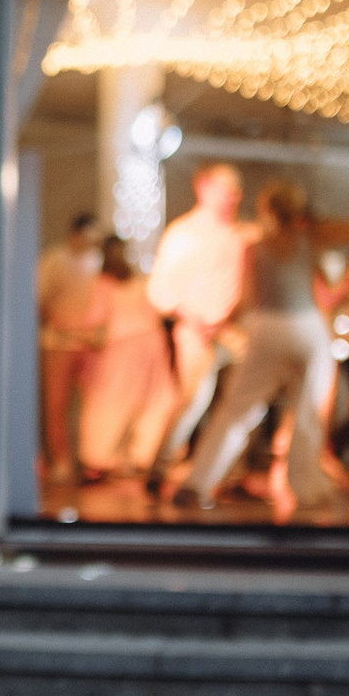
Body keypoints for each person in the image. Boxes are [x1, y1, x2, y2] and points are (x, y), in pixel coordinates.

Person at [178, 182, 347, 514]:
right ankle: (309, 492)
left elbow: (243, 299)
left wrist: (219, 324)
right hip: (307, 329)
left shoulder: (255, 247)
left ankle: (197, 484)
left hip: (267, 329)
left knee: (237, 410)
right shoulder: (307, 241)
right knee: (308, 413)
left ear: (267, 211)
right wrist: (309, 222)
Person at [146, 163, 251, 473]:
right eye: (225, 190)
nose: (232, 198)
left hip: (237, 333)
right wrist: (194, 320)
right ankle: (160, 467)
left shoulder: (244, 235)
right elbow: (161, 290)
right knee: (193, 401)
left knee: (242, 406)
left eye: (235, 192)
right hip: (195, 332)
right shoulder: (183, 233)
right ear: (203, 188)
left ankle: (229, 473)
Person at [76, 236, 174, 480]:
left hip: (123, 347)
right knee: (152, 401)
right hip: (152, 343)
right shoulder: (138, 282)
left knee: (108, 403)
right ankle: (142, 456)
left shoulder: (103, 284)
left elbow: (94, 320)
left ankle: (98, 459)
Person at [34, 212, 103, 485]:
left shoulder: (97, 262)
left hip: (90, 343)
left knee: (93, 405)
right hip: (58, 343)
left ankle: (89, 459)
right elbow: (39, 298)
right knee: (57, 404)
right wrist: (57, 323)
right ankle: (60, 461)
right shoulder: (55, 260)